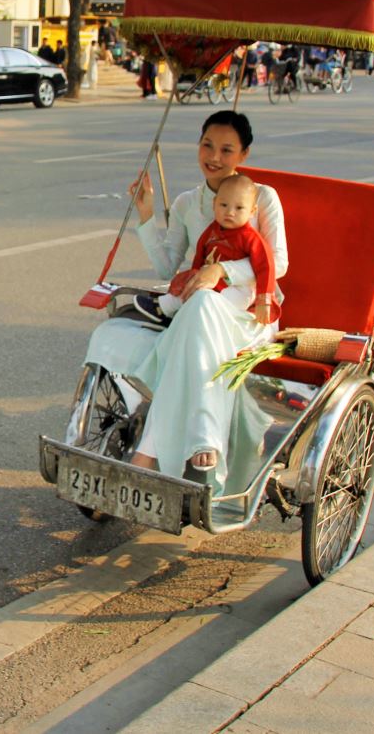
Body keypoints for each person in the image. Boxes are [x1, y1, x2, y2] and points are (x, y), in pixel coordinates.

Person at [83, 111, 287, 488]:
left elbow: (280, 262)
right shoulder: (187, 203)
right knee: (196, 309)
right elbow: (166, 267)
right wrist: (146, 214)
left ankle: (148, 451)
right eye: (207, 144)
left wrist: (221, 272)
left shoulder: (263, 199)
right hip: (196, 316)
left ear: (244, 154)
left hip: (248, 316)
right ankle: (202, 440)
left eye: (227, 149)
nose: (214, 156)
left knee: (202, 304)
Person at [152, 174, 278, 326]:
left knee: (204, 300)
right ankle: (166, 307)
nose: (230, 212)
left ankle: (168, 308)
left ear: (252, 211)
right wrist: (193, 280)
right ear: (214, 204)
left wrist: (264, 301)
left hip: (240, 291)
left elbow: (268, 266)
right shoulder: (211, 231)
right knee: (193, 289)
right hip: (213, 287)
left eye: (239, 208)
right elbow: (199, 258)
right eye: (223, 205)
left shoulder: (250, 237)